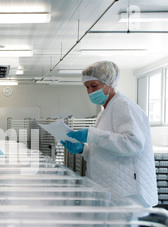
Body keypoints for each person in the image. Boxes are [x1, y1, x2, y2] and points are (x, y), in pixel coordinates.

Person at [61, 61, 158, 208]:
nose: (90, 91)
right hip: (111, 188)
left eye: (94, 86)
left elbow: (133, 144)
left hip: (128, 193)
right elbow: (103, 151)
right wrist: (83, 149)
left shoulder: (123, 105)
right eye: (87, 87)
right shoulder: (104, 112)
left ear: (110, 83)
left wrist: (92, 135)